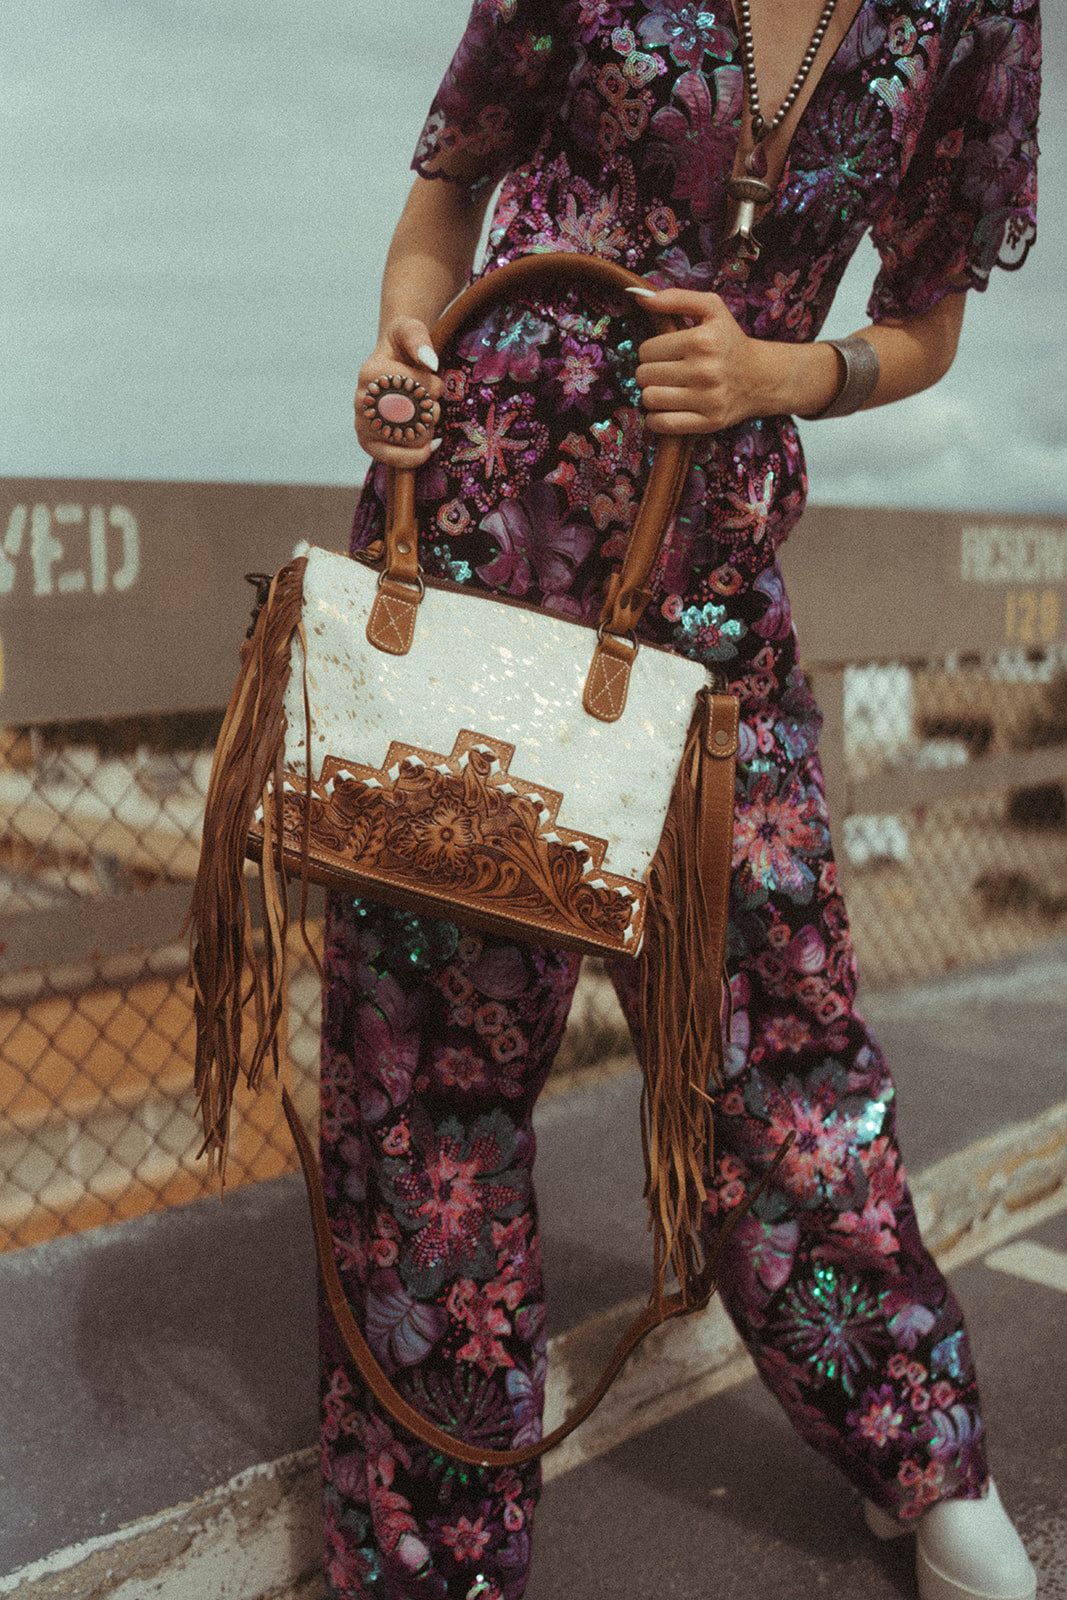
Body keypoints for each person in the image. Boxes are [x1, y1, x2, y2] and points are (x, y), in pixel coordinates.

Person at [317, 3, 1041, 1597]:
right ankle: (437, 1551)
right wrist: (399, 349)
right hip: (480, 537)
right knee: (433, 1065)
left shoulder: (971, 18)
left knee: (779, 1024)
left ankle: (912, 1448)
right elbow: (447, 196)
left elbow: (922, 319)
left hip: (707, 564)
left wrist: (781, 367)